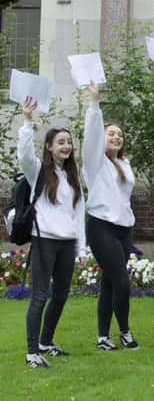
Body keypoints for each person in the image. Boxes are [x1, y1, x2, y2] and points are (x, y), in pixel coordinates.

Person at [18, 96, 86, 368]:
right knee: (40, 296)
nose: (66, 146)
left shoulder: (72, 177)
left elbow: (78, 214)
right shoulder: (38, 171)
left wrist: (81, 249)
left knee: (60, 295)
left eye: (68, 142)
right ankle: (32, 351)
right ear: (49, 147)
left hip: (67, 244)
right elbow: (24, 154)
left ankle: (46, 342)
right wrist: (27, 121)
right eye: (61, 142)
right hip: (44, 241)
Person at [82, 81, 138, 351]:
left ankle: (103, 337)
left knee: (108, 282)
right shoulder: (95, 161)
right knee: (120, 281)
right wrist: (95, 103)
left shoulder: (124, 164)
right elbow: (92, 134)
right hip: (101, 226)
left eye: (120, 135)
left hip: (123, 229)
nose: (117, 137)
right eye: (111, 134)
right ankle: (125, 332)